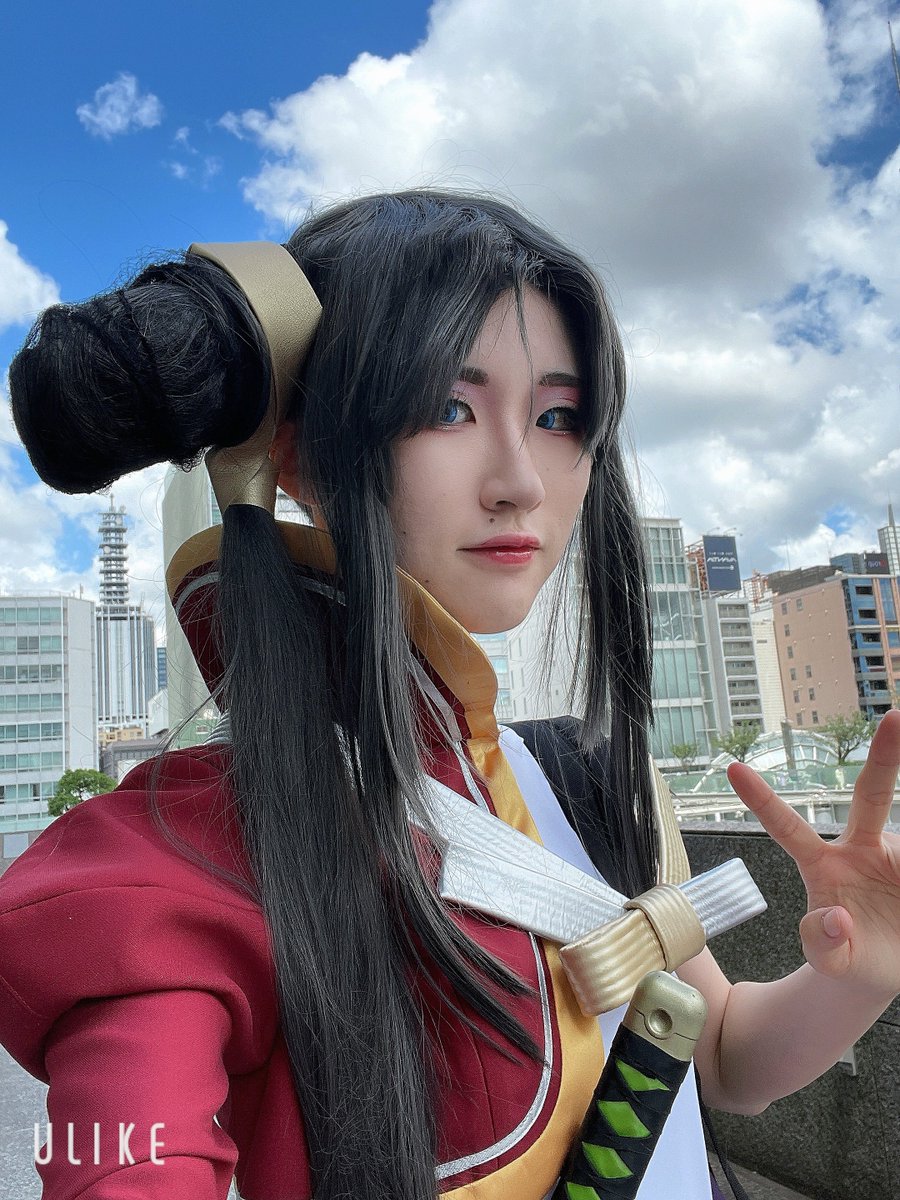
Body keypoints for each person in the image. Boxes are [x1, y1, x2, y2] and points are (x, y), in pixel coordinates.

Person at [0, 189, 898, 1200]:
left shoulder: (588, 778)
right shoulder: (186, 860)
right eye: (449, 409)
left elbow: (721, 1055)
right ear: (298, 454)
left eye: (557, 417)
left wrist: (863, 968)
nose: (522, 480)